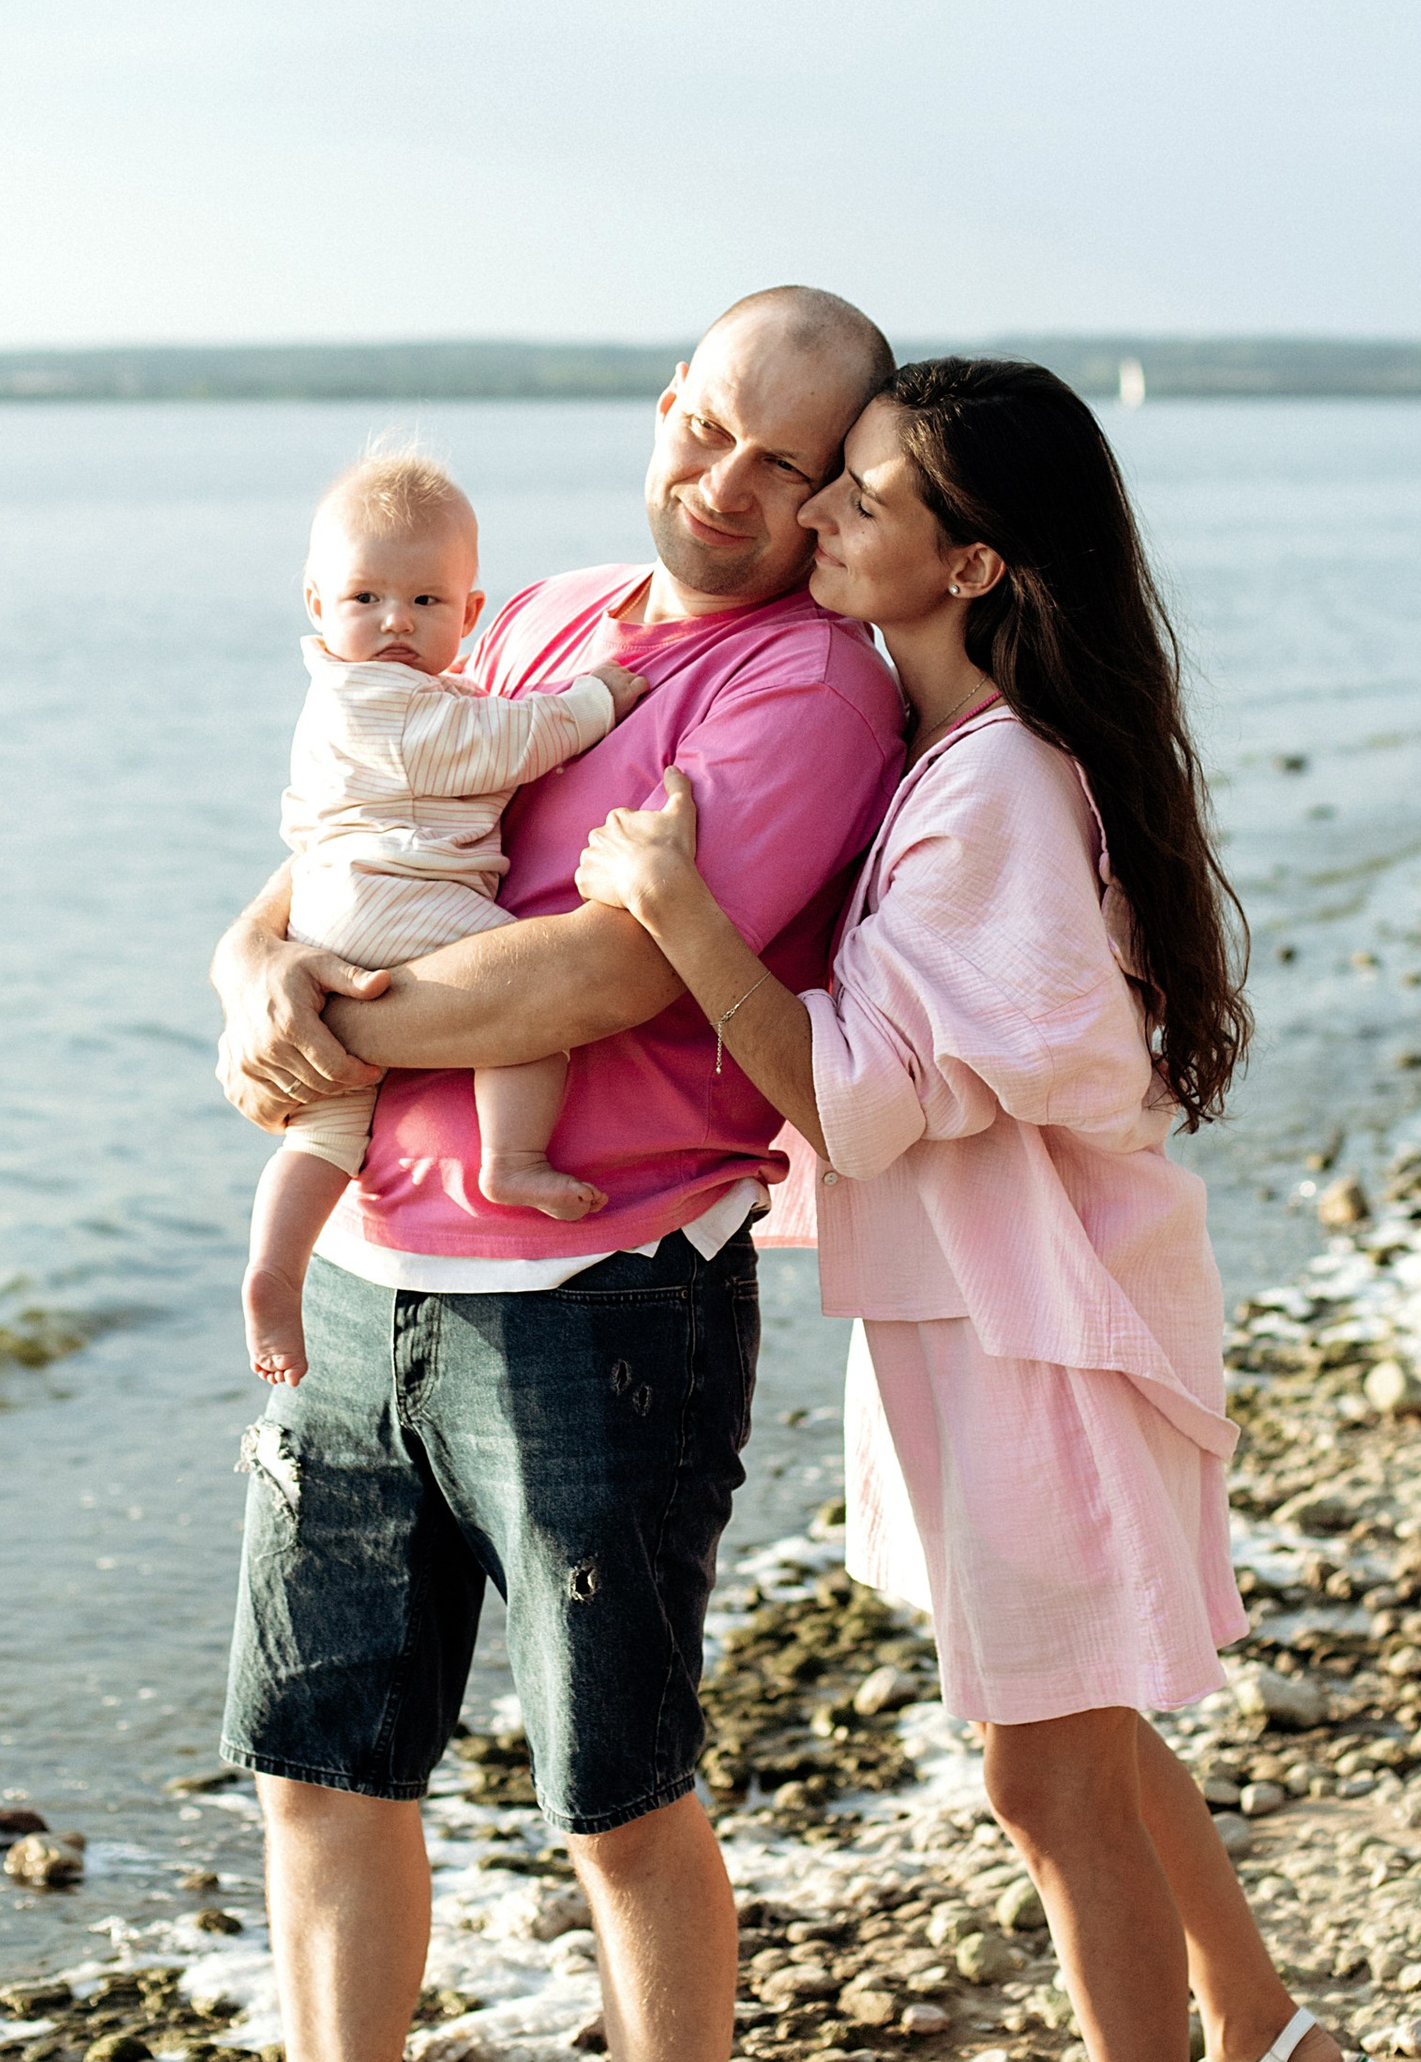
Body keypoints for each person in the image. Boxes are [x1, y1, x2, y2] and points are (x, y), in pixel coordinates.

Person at [575, 356, 1338, 2062]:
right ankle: (1271, 2030)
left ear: (974, 563)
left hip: (1037, 1325)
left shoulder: (992, 785)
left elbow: (852, 1089)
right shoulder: (957, 756)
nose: (821, 514)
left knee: (1042, 1773)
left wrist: (671, 905)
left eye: (864, 493)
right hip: (991, 1306)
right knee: (1085, 1724)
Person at [208, 286, 908, 2062]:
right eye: (709, 427)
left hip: (601, 1307)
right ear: (665, 403)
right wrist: (251, 978)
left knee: (615, 1800)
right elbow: (330, 854)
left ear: (831, 496)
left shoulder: (807, 687)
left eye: (787, 464)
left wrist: (326, 1041)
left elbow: (609, 971)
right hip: (367, 1287)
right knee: (320, 1768)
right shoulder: (516, 616)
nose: (728, 483)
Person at [239, 449, 649, 1387]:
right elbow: (509, 741)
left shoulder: (353, 697)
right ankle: (511, 1159)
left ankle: (274, 1265)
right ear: (317, 604)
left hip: (333, 914)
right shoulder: (387, 702)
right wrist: (598, 696)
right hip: (399, 900)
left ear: (470, 616)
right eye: (366, 599)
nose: (394, 622)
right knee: (526, 1001)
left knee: (330, 1125)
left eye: (425, 603)